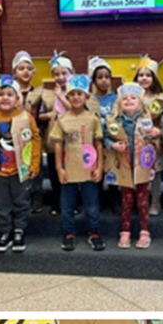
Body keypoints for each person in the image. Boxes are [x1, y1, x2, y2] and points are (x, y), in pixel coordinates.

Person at [0, 75, 41, 253]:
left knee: (21, 201)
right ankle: (5, 231)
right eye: (1, 94)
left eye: (9, 94)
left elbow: (35, 140)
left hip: (20, 170)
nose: (5, 97)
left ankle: (19, 230)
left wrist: (34, 164)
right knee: (0, 204)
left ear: (17, 98)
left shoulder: (25, 117)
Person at [49, 74, 105, 252]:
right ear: (67, 97)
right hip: (69, 168)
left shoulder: (93, 119)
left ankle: (94, 232)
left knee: (91, 203)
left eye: (79, 94)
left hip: (89, 168)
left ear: (87, 97)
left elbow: (99, 143)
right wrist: (59, 168)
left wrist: (100, 166)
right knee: (67, 204)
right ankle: (68, 233)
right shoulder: (62, 120)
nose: (75, 97)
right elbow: (58, 145)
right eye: (72, 94)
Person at [103, 83, 161, 249]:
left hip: (142, 167)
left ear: (141, 103)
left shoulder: (146, 121)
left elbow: (155, 142)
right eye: (125, 98)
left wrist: (157, 134)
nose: (128, 100)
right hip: (124, 167)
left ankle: (144, 231)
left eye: (133, 98)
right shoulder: (114, 121)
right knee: (126, 201)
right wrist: (112, 146)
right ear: (119, 103)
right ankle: (125, 231)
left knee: (143, 201)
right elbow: (106, 138)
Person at [38, 51, 73, 216]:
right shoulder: (47, 94)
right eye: (56, 74)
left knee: (71, 172)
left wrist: (61, 96)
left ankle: (71, 202)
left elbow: (75, 110)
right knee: (54, 170)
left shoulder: (76, 92)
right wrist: (49, 115)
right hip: (54, 138)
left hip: (72, 140)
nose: (60, 77)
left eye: (64, 73)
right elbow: (40, 114)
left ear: (71, 74)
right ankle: (56, 201)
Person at [133, 56, 163, 216]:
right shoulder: (131, 96)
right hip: (137, 139)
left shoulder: (161, 97)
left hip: (153, 141)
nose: (144, 78)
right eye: (141, 75)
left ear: (154, 78)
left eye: (148, 75)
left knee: (155, 174)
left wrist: (159, 132)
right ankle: (138, 200)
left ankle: (155, 200)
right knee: (137, 170)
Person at [12, 51, 44, 212]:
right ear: (14, 72)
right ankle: (20, 198)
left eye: (29, 68)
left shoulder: (40, 92)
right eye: (21, 68)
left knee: (34, 165)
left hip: (33, 136)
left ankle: (36, 195)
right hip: (13, 137)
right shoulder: (9, 92)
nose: (25, 71)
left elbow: (45, 112)